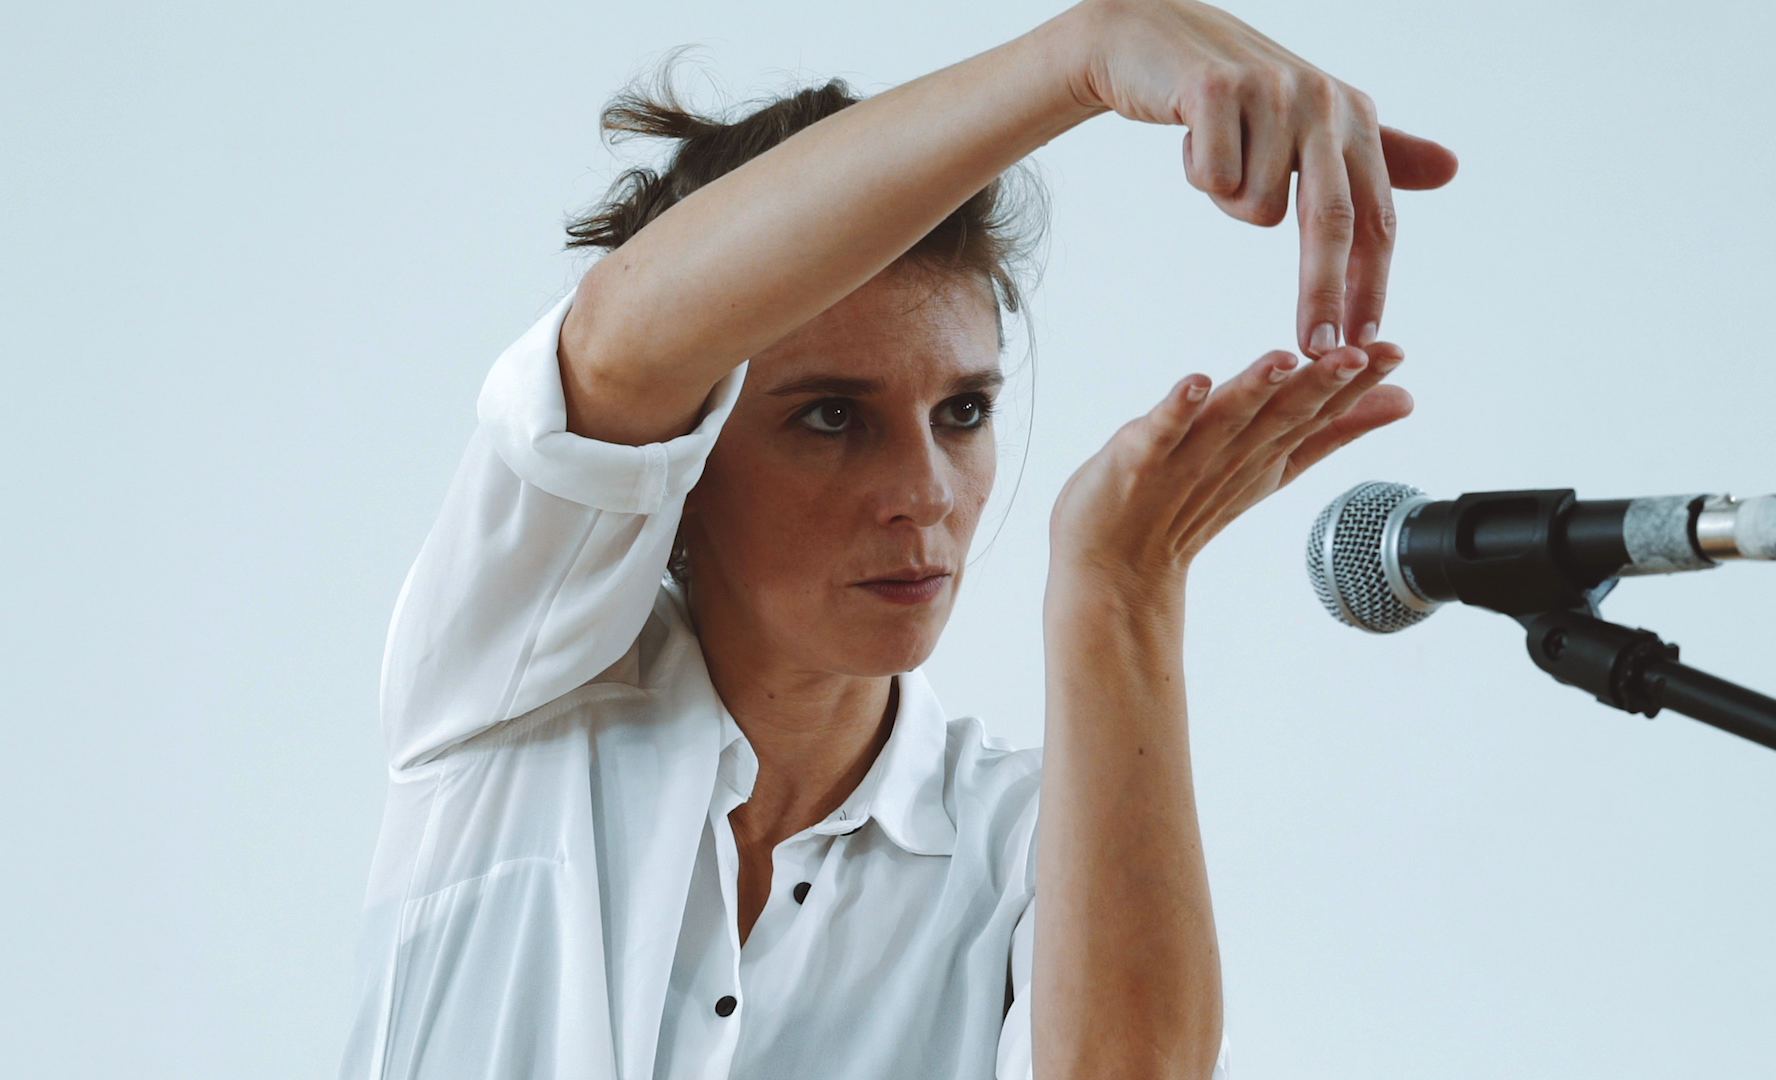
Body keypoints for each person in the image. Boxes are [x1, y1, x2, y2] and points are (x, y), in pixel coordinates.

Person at [339, 1, 1457, 1077]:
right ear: (689, 447)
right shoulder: (508, 685)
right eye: (832, 416)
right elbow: (622, 347)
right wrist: (1083, 51)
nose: (922, 493)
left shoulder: (1030, 841)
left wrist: (1123, 586)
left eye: (962, 412)